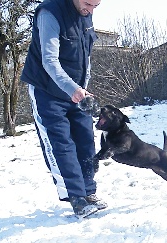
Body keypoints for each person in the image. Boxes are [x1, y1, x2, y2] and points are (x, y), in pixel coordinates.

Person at [21, 0, 106, 217]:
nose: (91, 10)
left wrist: (83, 87)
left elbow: (85, 55)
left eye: (96, 5)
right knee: (62, 144)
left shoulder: (85, 12)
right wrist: (72, 89)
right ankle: (76, 197)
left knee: (86, 140)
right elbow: (50, 61)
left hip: (77, 90)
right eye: (89, 4)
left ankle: (89, 191)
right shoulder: (50, 13)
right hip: (47, 90)